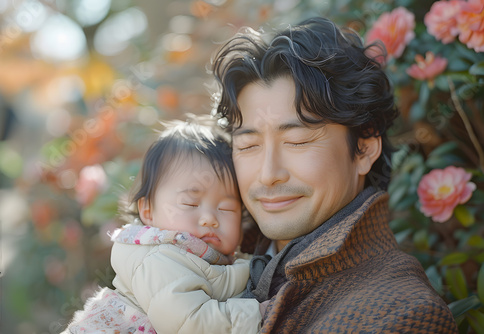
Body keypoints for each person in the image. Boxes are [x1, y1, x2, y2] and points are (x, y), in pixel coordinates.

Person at [211, 17, 458, 333]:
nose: (268, 174)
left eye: (297, 141)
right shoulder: (196, 255)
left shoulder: (403, 315)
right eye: (248, 145)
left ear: (365, 149)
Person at [63, 116, 262, 333]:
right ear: (148, 211)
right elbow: (190, 324)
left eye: (226, 208)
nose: (210, 218)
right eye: (190, 203)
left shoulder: (213, 259)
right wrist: (259, 313)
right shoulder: (159, 258)